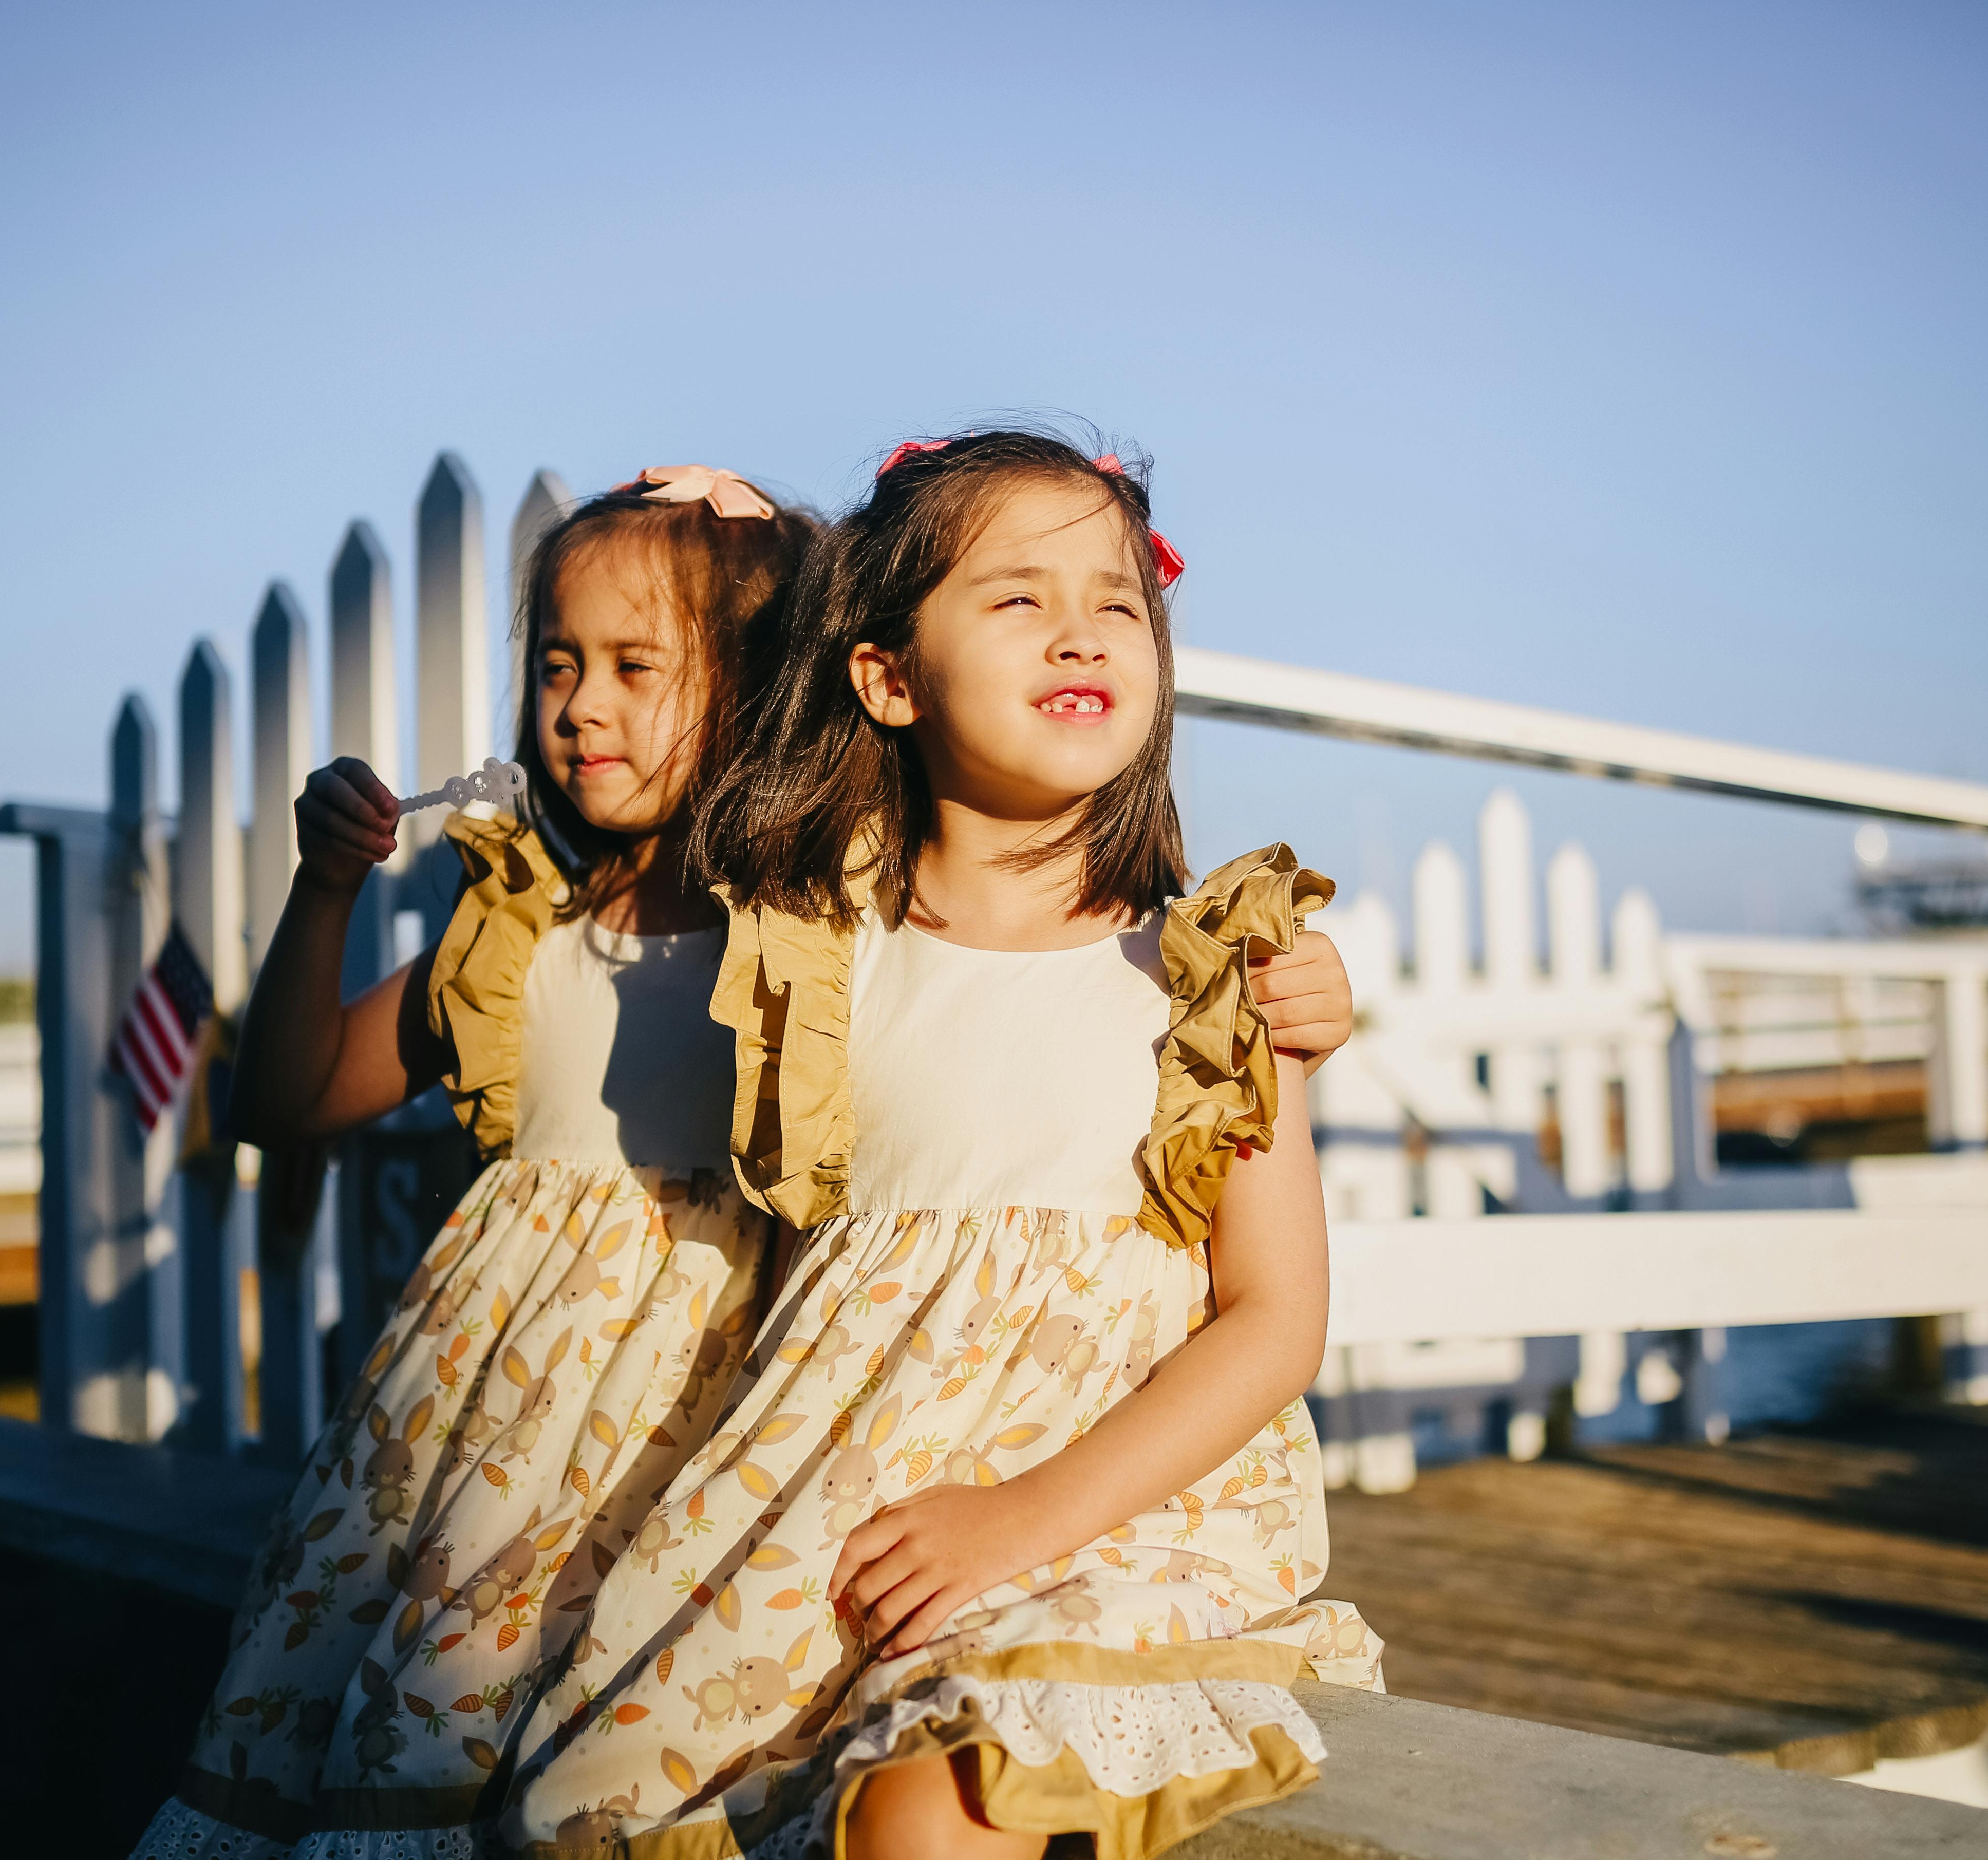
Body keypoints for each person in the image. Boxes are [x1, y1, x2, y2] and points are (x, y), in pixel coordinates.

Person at [134, 463, 1363, 1860]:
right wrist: (330, 884)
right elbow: (286, 1095)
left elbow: (1276, 1316)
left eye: (640, 666)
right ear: (882, 675)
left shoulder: (1176, 969)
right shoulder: (773, 949)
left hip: (1033, 1492)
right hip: (631, 1456)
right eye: (561, 666)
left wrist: (788, 546)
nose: (587, 703)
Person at [501, 430, 1380, 1860]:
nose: (1085, 627)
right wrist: (720, 530)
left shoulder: (1218, 967)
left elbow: (1276, 1323)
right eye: (1018, 597)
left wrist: (1019, 1518)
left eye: (1116, 600)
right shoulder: (820, 953)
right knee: (592, 1807)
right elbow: (697, 693)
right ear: (889, 677)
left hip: (1110, 1513)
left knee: (929, 1815)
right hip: (846, 1501)